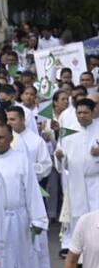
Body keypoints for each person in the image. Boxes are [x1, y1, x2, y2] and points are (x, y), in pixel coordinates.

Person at [0, 122, 48, 268]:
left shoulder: (21, 159)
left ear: (10, 139)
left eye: (1, 137)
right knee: (0, 259)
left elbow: (32, 190)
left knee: (20, 257)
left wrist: (37, 219)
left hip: (18, 218)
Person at [55, 99, 99, 248]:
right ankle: (79, 252)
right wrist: (59, 156)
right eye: (79, 113)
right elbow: (60, 152)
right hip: (76, 182)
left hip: (96, 181)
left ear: (93, 112)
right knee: (78, 218)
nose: (82, 116)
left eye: (85, 112)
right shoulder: (68, 131)